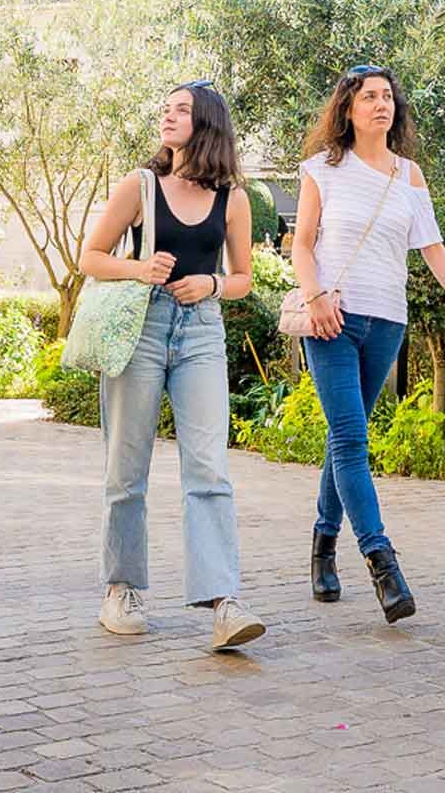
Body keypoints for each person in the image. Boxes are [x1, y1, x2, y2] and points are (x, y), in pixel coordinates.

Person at [291, 65, 445, 622]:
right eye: (369, 97)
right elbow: (302, 246)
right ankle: (383, 565)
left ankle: (323, 543)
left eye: (387, 97)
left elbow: (432, 248)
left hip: (387, 322)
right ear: (347, 109)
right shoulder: (322, 170)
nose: (381, 104)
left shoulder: (409, 175)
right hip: (332, 319)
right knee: (352, 441)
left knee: (343, 438)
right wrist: (315, 297)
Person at [78, 81, 264, 651]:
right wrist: (138, 270)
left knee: (209, 468)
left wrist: (210, 282)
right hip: (143, 327)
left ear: (207, 122)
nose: (169, 116)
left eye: (181, 110)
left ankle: (223, 601)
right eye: (165, 108)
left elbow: (243, 278)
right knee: (125, 467)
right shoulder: (139, 186)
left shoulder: (233, 197)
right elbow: (90, 257)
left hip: (202, 329)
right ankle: (122, 588)